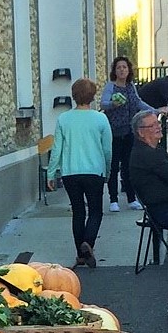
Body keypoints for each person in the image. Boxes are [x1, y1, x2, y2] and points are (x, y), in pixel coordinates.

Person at [47, 77, 113, 268]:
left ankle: (80, 254)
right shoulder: (101, 119)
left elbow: (57, 148)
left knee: (77, 211)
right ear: (92, 97)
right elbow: (107, 149)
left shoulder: (63, 119)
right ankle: (89, 243)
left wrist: (51, 173)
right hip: (94, 171)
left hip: (71, 172)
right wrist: (107, 171)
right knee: (95, 211)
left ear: (73, 96)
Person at [99, 57, 148, 213]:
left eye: (124, 67)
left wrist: (154, 110)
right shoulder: (110, 87)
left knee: (128, 166)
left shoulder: (131, 86)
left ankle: (131, 198)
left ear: (129, 70)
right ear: (114, 71)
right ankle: (113, 199)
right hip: (114, 132)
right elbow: (103, 103)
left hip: (129, 131)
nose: (122, 70)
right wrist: (113, 104)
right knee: (114, 167)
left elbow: (138, 102)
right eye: (119, 67)